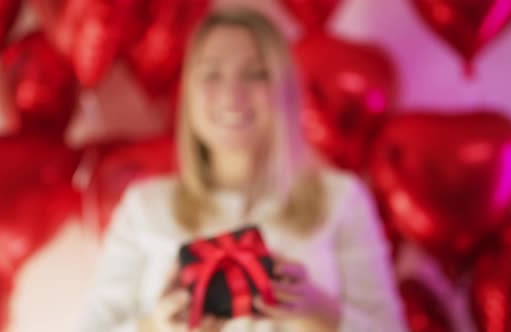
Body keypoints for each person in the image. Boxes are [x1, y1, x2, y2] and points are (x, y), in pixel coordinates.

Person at [78, 7, 407, 332]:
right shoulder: (144, 206)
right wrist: (155, 327)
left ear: (284, 88)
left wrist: (319, 312)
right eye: (212, 74)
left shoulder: (341, 198)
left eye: (255, 74)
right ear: (189, 92)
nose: (232, 94)